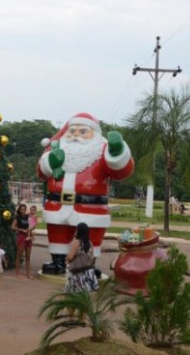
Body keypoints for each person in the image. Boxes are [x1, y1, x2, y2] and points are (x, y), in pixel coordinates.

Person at [37, 112, 134, 274]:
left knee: (91, 237)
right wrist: (48, 163)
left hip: (90, 206)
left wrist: (117, 153)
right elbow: (41, 172)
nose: (76, 135)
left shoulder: (102, 150)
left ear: (94, 134)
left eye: (83, 131)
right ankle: (58, 262)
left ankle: (88, 264)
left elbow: (121, 172)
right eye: (73, 131)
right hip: (57, 204)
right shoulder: (57, 148)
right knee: (58, 232)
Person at [65, 222, 98, 294]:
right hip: (87, 272)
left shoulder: (76, 242)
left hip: (76, 272)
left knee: (73, 293)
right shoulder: (90, 243)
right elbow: (92, 257)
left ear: (78, 231)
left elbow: (70, 257)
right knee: (85, 293)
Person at [11, 203, 34, 279]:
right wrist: (21, 230)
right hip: (21, 237)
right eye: (22, 209)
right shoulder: (18, 217)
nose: (23, 211)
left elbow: (32, 225)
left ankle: (28, 274)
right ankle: (17, 273)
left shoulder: (28, 217)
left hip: (28, 237)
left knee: (28, 256)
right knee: (19, 255)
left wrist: (31, 230)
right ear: (19, 210)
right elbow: (13, 227)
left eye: (24, 209)